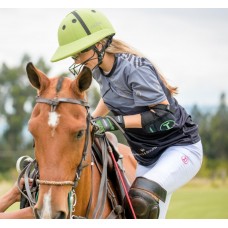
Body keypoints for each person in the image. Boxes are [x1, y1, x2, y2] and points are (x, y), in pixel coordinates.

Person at [51, 9, 203, 219]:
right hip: (147, 158)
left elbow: (162, 115)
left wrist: (112, 123)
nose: (77, 61)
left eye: (79, 53)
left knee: (140, 199)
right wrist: (93, 120)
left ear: (98, 44)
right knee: (133, 214)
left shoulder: (134, 69)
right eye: (74, 56)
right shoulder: (98, 69)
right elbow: (111, 94)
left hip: (179, 149)